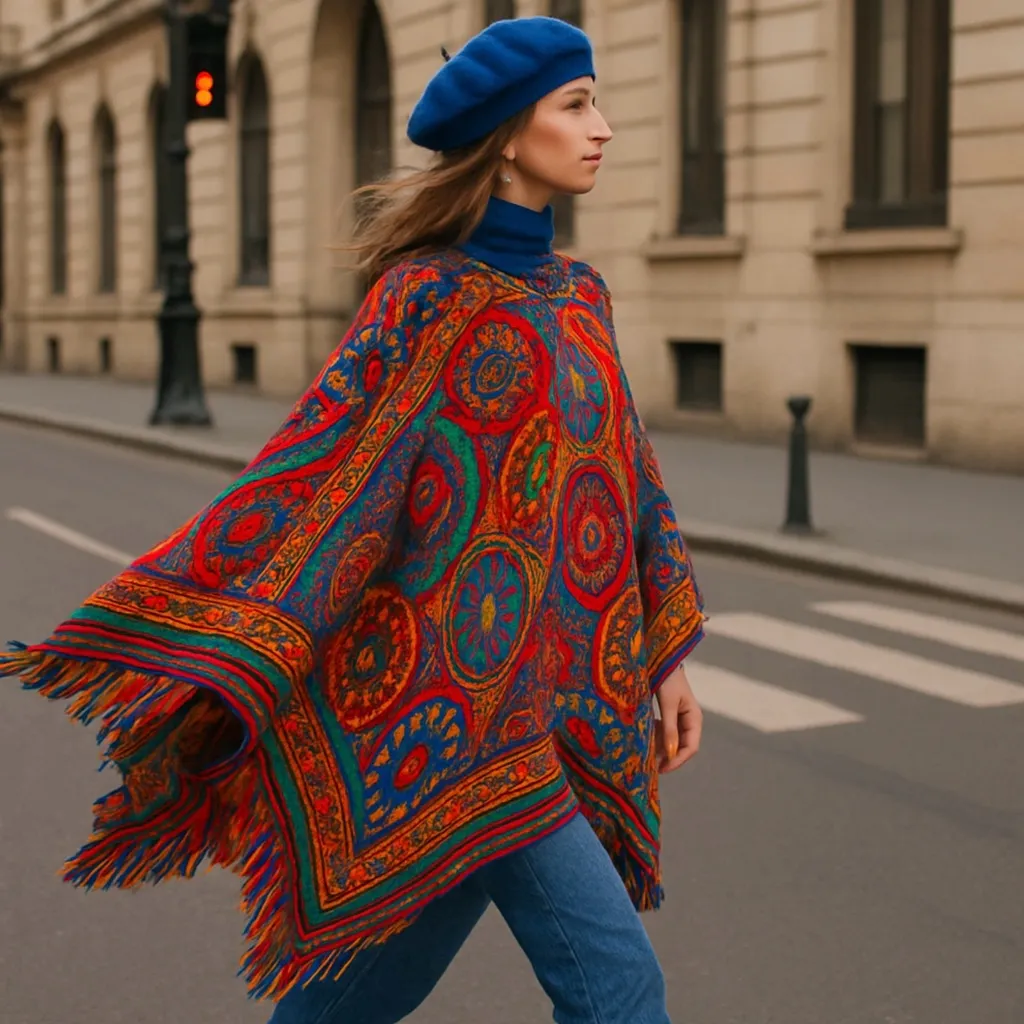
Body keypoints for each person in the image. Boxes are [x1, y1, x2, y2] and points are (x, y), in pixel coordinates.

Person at [0, 16, 706, 1024]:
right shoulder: (424, 298)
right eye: (576, 103)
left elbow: (626, 481)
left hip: (552, 700)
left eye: (594, 102)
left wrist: (665, 654)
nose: (603, 126)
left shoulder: (578, 295)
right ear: (510, 134)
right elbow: (319, 476)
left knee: (350, 1004)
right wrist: (177, 618)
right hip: (458, 720)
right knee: (620, 989)